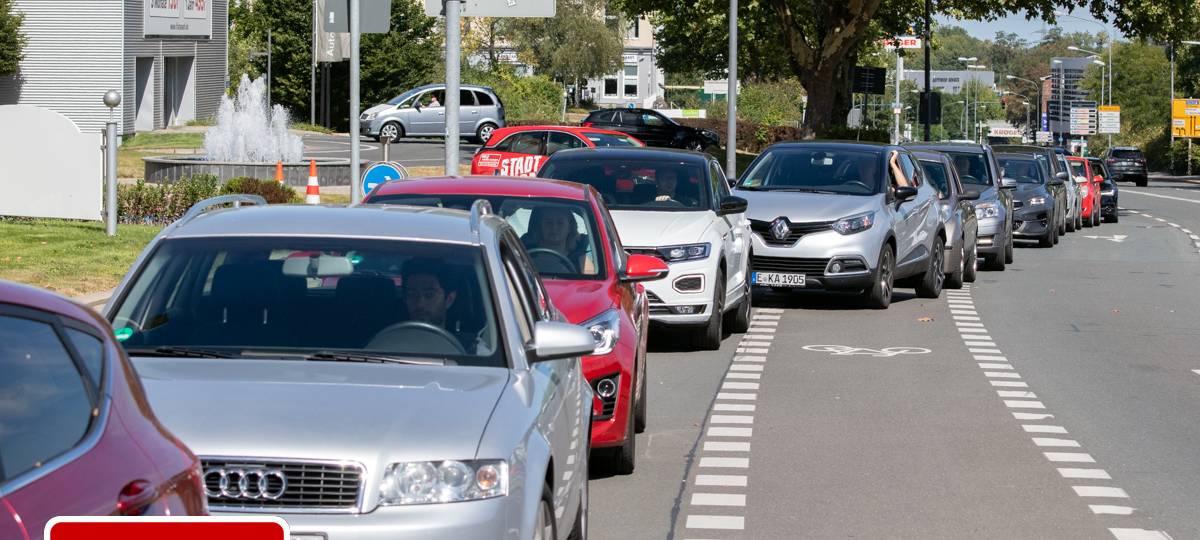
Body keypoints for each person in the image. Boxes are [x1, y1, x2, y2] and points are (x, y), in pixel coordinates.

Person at [522, 205, 596, 274]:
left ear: (570, 227)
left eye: (560, 223)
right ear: (540, 227)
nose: (554, 228)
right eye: (548, 223)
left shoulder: (581, 260)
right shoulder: (523, 254)